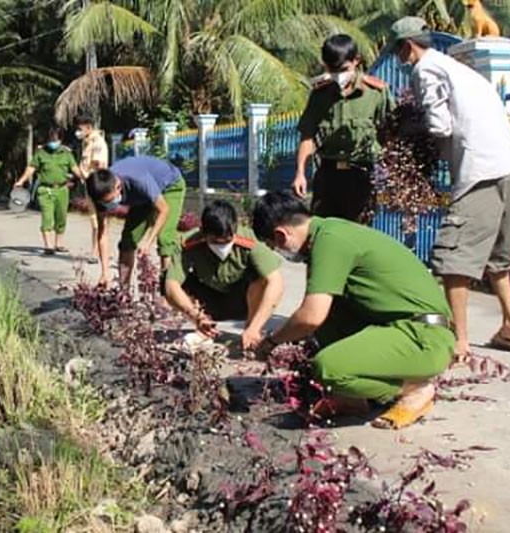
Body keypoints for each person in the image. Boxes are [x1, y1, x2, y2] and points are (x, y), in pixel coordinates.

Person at [251, 192, 455, 429]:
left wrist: (270, 342)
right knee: (331, 309)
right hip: (408, 330)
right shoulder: (329, 233)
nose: (279, 253)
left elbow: (310, 317)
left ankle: (413, 389)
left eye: (273, 246)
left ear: (280, 235)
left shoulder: (331, 240)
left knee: (328, 368)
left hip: (423, 338)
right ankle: (351, 399)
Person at [391, 17, 510, 358]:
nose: (398, 58)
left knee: (454, 259)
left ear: (408, 46)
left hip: (480, 170)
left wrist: (412, 132)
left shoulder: (424, 70)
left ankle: (459, 341)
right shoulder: (463, 70)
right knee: (498, 258)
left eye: (397, 51)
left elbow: (440, 126)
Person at [293, 34, 394, 222]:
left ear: (356, 61)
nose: (338, 75)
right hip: (328, 176)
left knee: (358, 236)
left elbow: (391, 135)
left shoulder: (376, 94)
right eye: (332, 70)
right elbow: (307, 136)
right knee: (323, 232)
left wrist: (391, 173)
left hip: (361, 176)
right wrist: (300, 173)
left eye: (344, 69)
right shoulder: (320, 96)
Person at [164, 200, 285, 351]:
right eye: (215, 242)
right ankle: (205, 328)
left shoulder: (249, 240)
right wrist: (196, 316)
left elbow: (276, 281)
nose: (222, 246)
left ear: (234, 230)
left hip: (243, 301)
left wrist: (255, 326)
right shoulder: (189, 243)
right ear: (203, 232)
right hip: (208, 302)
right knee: (168, 278)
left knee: (260, 278)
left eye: (227, 241)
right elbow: (171, 286)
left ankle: (251, 333)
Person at [87, 155, 186, 286]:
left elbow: (164, 210)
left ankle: (168, 294)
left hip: (170, 186)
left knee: (165, 239)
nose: (109, 206)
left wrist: (148, 242)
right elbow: (103, 234)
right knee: (127, 242)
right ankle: (124, 293)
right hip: (142, 198)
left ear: (118, 186)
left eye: (110, 201)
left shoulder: (138, 180)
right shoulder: (100, 191)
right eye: (105, 203)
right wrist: (105, 272)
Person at [13, 128, 84, 255]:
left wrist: (86, 178)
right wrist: (21, 181)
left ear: (61, 140)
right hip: (45, 190)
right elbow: (31, 168)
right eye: (51, 140)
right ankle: (48, 246)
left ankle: (58, 244)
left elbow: (75, 169)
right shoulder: (41, 153)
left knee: (61, 217)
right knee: (47, 216)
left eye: (55, 140)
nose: (53, 142)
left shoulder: (66, 153)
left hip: (62, 189)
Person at [76, 115, 110, 264]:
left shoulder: (97, 142)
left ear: (88, 127)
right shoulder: (87, 142)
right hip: (89, 185)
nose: (78, 131)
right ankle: (95, 251)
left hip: (96, 185)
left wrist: (85, 173)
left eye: (80, 128)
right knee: (94, 220)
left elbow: (100, 165)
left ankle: (97, 253)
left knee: (98, 220)